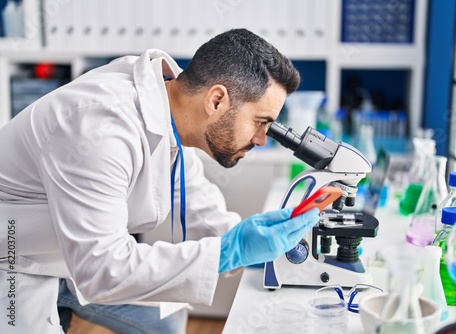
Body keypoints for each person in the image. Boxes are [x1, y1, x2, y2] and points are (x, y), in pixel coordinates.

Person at [0, 28, 320, 333]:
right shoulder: (100, 128)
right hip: (15, 258)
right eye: (260, 122)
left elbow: (194, 201)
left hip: (69, 251)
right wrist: (228, 251)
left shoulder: (170, 105)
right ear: (217, 100)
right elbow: (101, 269)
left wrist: (254, 243)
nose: (263, 139)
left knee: (163, 320)